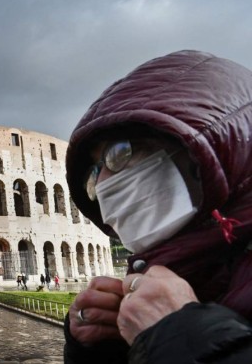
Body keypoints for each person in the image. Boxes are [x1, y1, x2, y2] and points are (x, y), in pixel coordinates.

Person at [63, 50, 252, 363]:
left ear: (205, 149)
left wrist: (180, 335)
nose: (104, 184)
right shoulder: (171, 273)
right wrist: (99, 349)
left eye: (119, 151)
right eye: (94, 174)